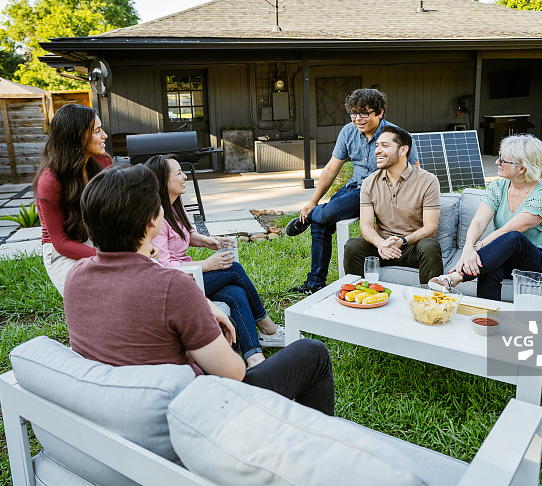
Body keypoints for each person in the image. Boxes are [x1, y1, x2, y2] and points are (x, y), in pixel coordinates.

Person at [63, 164, 335, 415]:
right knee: (312, 352)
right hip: (195, 414)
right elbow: (233, 372)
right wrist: (200, 311)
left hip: (122, 410)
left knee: (234, 296)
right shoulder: (173, 287)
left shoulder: (75, 276)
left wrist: (205, 304)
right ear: (152, 221)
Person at [144, 154, 286, 368]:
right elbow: (163, 267)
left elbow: (186, 233)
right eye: (179, 173)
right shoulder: (155, 217)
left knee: (236, 293)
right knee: (234, 270)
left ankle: (254, 358)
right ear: (163, 181)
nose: (184, 177)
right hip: (175, 284)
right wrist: (207, 265)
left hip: (192, 276)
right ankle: (267, 326)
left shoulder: (176, 203)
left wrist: (208, 242)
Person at [286, 88, 418, 294]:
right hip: (355, 187)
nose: (358, 118)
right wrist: (313, 200)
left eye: (364, 113)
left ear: (380, 112)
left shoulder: (397, 136)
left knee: (326, 213)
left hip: (379, 191)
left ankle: (311, 216)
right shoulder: (348, 131)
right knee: (321, 223)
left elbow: (415, 170)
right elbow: (331, 168)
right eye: (354, 113)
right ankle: (315, 284)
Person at [430, 134, 542, 300]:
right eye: (499, 157)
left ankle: (455, 277)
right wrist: (467, 249)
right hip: (508, 257)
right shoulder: (498, 186)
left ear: (522, 169)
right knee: (490, 266)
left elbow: (510, 230)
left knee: (514, 237)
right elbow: (479, 222)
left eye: (503, 160)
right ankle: (487, 321)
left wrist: (477, 249)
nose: (497, 162)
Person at [343, 126, 442, 283]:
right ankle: (358, 296)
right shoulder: (369, 183)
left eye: (385, 146)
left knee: (429, 246)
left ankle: (429, 302)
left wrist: (402, 241)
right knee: (353, 246)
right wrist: (382, 244)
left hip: (411, 247)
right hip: (381, 247)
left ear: (403, 151)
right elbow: (366, 226)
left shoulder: (428, 181)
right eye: (377, 145)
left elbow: (431, 228)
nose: (377, 151)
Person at [34, 103, 113, 295]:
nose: (105, 136)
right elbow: (61, 243)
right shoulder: (49, 181)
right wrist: (110, 256)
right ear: (78, 137)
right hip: (64, 250)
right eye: (97, 131)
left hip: (98, 238)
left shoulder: (103, 162)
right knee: (89, 297)